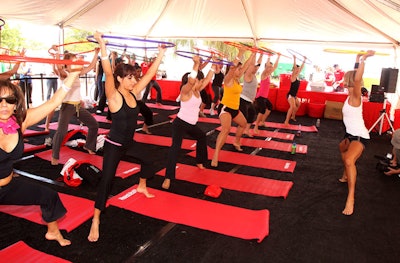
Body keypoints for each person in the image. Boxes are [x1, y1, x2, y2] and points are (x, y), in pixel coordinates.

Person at [88, 32, 166, 242]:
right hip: (113, 145)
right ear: (120, 78)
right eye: (130, 77)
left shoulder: (134, 93)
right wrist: (103, 46)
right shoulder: (114, 95)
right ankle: (96, 218)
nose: (134, 81)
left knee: (150, 160)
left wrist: (160, 54)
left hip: (129, 143)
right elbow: (107, 71)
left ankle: (141, 185)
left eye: (135, 78)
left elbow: (149, 76)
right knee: (107, 181)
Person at [0, 69, 80, 246]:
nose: (4, 105)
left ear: (16, 104)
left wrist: (72, 75)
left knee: (48, 195)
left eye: (9, 100)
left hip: (8, 186)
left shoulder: (21, 121)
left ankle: (53, 232)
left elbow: (53, 102)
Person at [162, 55, 216, 190]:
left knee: (202, 136)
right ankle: (168, 178)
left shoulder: (197, 90)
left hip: (191, 124)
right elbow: (192, 81)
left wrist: (214, 66)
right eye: (199, 80)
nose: (201, 82)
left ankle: (199, 161)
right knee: (175, 149)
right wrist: (196, 64)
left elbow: (207, 79)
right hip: (180, 123)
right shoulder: (185, 91)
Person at [338, 50, 375, 216]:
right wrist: (356, 59)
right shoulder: (348, 95)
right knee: (341, 148)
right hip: (349, 134)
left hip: (360, 136)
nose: (344, 82)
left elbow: (357, 78)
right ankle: (346, 175)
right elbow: (354, 75)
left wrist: (363, 60)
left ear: (349, 82)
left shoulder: (355, 96)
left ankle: (350, 197)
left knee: (348, 159)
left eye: (346, 80)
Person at [51, 46, 100, 165]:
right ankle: (54, 156)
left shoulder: (77, 73)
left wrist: (96, 53)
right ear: (67, 64)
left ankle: (89, 146)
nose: (76, 63)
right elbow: (58, 66)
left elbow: (91, 67)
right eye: (73, 61)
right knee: (61, 131)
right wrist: (57, 54)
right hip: (67, 106)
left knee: (94, 125)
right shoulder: (65, 74)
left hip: (77, 106)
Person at [211, 47, 255, 167]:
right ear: (233, 69)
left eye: (240, 69)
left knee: (243, 124)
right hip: (225, 108)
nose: (240, 70)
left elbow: (246, 66)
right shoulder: (228, 79)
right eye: (238, 69)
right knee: (226, 130)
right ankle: (215, 155)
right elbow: (232, 68)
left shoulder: (237, 79)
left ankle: (236, 142)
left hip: (235, 109)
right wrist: (239, 54)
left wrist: (253, 54)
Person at [253, 53, 280, 134]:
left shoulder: (268, 75)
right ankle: (256, 126)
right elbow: (268, 66)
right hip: (260, 96)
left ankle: (262, 122)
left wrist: (278, 57)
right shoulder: (264, 74)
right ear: (266, 67)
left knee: (270, 107)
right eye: (269, 67)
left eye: (271, 67)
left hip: (264, 97)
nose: (271, 68)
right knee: (262, 110)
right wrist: (268, 57)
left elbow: (275, 66)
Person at [239, 53, 263, 137]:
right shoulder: (247, 75)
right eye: (254, 67)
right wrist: (254, 52)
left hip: (249, 101)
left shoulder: (254, 75)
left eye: (256, 68)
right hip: (243, 100)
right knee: (243, 119)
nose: (256, 68)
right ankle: (239, 135)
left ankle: (246, 130)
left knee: (252, 114)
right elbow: (253, 64)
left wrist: (261, 55)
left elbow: (258, 64)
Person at [283, 54, 306, 126]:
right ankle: (286, 121)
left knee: (298, 104)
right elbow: (295, 67)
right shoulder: (293, 76)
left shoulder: (297, 76)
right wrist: (295, 59)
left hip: (294, 95)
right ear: (294, 70)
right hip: (290, 95)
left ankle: (292, 116)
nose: (298, 70)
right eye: (296, 69)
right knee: (292, 107)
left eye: (298, 69)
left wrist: (304, 60)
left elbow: (301, 68)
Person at [133, 65, 154, 134]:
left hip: (139, 101)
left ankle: (145, 127)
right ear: (134, 72)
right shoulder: (131, 80)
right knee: (132, 118)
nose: (139, 73)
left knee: (149, 113)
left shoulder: (139, 80)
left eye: (140, 71)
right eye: (137, 71)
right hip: (132, 101)